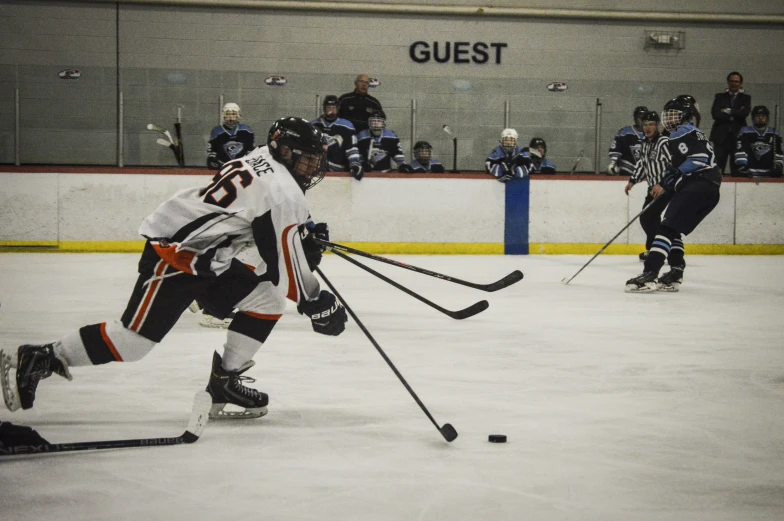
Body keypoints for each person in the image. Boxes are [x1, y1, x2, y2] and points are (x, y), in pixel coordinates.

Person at [0, 117, 348, 420]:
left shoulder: (260, 156)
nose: (314, 168)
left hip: (209, 258)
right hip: (178, 256)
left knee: (268, 299)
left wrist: (302, 233)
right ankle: (41, 357)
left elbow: (262, 234)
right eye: (309, 159)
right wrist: (314, 301)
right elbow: (284, 261)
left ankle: (224, 382)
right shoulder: (285, 191)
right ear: (285, 151)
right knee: (133, 342)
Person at [626, 97, 721, 293]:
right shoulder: (693, 133)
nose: (669, 118)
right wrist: (672, 178)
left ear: (685, 115)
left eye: (674, 114)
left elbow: (699, 159)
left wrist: (673, 174)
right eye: (668, 114)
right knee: (672, 227)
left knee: (666, 226)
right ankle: (675, 272)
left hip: (698, 185)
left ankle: (650, 273)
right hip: (708, 190)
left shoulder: (681, 132)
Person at [624, 111, 671, 262]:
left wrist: (663, 184)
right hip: (653, 189)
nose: (648, 127)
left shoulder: (664, 142)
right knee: (649, 218)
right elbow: (642, 165)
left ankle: (657, 250)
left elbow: (675, 165)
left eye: (651, 124)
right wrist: (633, 180)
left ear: (657, 125)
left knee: (647, 217)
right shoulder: (644, 143)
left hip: (666, 188)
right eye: (645, 124)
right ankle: (657, 250)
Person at [312, 94, 363, 180]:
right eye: (328, 108)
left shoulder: (347, 126)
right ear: (324, 108)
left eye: (333, 108)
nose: (331, 111)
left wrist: (355, 164)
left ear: (338, 108)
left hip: (339, 171)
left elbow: (351, 148)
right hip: (316, 170)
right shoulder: (314, 125)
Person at [709, 72, 751, 176]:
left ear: (740, 83)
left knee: (736, 168)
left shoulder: (746, 98)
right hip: (720, 137)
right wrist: (736, 111)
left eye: (736, 81)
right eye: (732, 81)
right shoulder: (719, 97)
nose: (734, 84)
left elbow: (744, 114)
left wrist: (727, 110)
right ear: (728, 82)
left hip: (737, 137)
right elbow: (715, 114)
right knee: (718, 167)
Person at [734, 105, 783, 177]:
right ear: (753, 118)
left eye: (763, 116)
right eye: (757, 116)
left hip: (769, 173)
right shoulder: (745, 132)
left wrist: (778, 166)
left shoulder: (776, 133)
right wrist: (742, 166)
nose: (760, 118)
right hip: (750, 172)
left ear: (767, 118)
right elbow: (740, 150)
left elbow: (779, 152)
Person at [207, 103, 255, 170]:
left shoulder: (246, 131)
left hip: (242, 168)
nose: (230, 116)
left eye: (233, 114)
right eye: (228, 114)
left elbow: (250, 153)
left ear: (238, 115)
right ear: (224, 115)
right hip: (223, 167)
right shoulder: (217, 131)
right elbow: (212, 156)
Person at [607, 106, 647, 176]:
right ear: (635, 118)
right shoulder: (624, 133)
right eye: (640, 118)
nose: (642, 120)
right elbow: (616, 149)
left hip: (646, 173)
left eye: (644, 118)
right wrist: (613, 163)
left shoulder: (652, 135)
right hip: (627, 170)